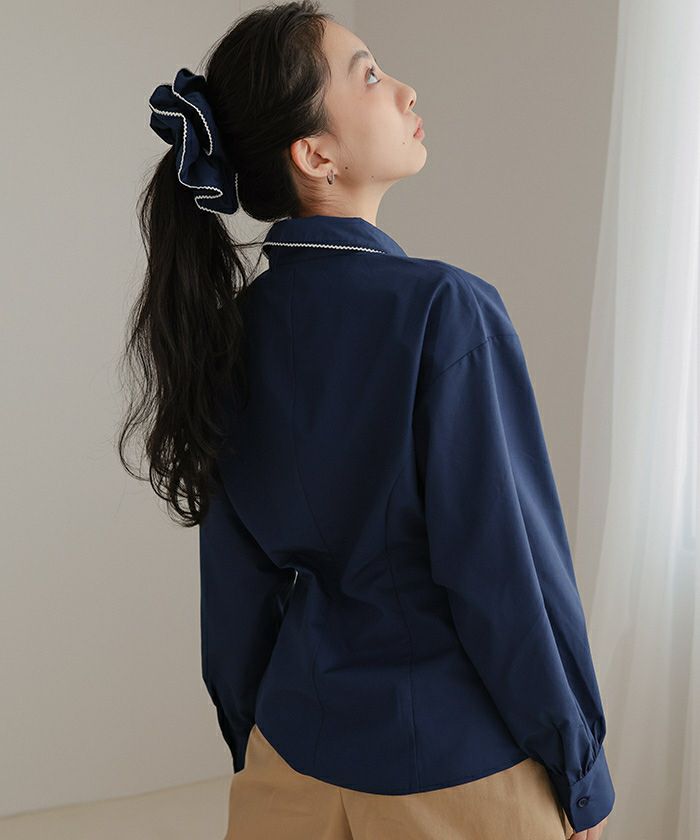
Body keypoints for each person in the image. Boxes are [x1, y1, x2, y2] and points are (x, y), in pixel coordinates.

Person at [119, 2, 615, 838]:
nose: (406, 90)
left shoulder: (226, 331)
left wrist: (257, 745)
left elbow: (235, 588)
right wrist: (578, 766)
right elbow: (502, 572)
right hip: (457, 770)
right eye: (373, 77)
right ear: (314, 155)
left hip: (290, 760)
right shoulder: (446, 309)